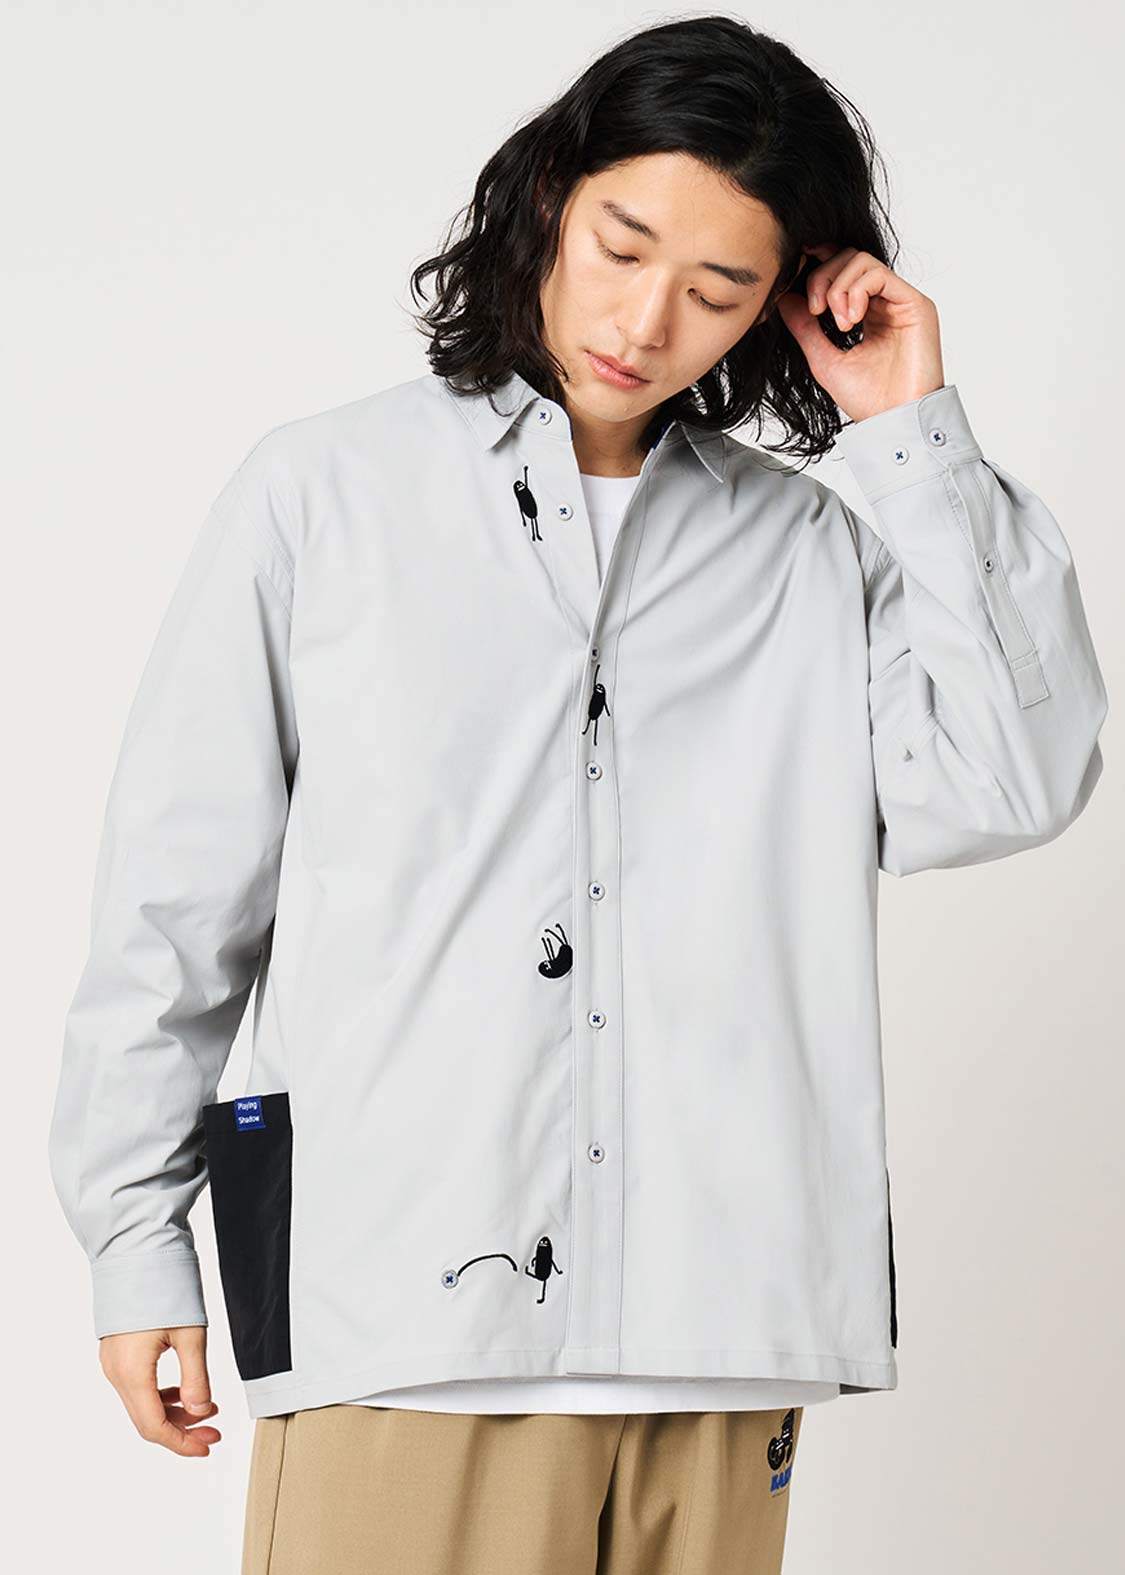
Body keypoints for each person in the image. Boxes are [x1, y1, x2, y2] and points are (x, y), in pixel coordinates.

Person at [47, 14, 1108, 1575]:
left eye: (718, 288)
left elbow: (1014, 777)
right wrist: (137, 1244)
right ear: (548, 200)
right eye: (621, 246)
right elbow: (176, 905)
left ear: (781, 299)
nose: (645, 319)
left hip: (723, 1337)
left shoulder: (808, 550)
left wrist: (911, 435)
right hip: (399, 1329)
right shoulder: (324, 496)